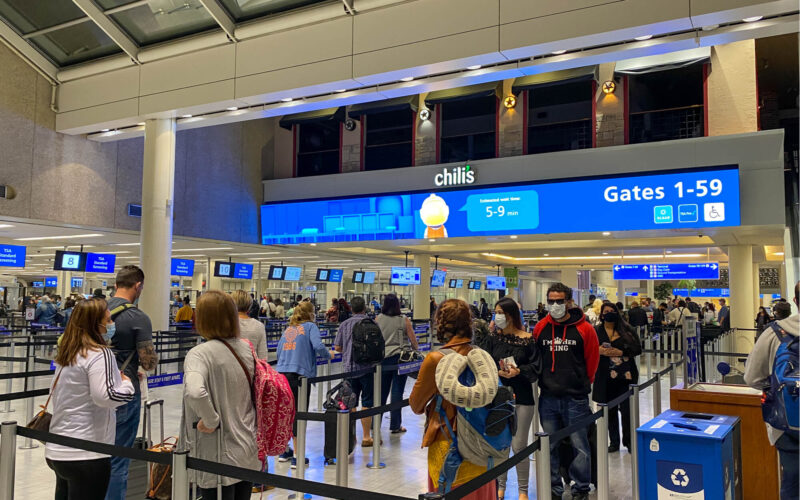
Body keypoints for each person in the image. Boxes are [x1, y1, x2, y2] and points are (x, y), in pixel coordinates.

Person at [46, 298, 135, 500]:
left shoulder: (69, 352)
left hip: (58, 448)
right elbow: (106, 396)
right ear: (96, 324)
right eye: (108, 319)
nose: (112, 324)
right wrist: (127, 385)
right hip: (87, 451)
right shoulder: (100, 353)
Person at [410, 299, 498, 499]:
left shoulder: (435, 359)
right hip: (482, 443)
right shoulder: (481, 356)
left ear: (440, 324)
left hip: (448, 443)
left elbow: (416, 405)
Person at [182, 290, 261, 499]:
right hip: (247, 445)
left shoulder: (200, 354)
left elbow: (195, 391)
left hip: (218, 452)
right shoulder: (246, 349)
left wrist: (211, 420)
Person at [533, 282, 599, 500]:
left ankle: (581, 488)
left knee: (581, 446)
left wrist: (580, 382)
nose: (555, 305)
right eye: (551, 301)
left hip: (576, 398)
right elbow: (537, 358)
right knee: (550, 446)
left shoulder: (585, 329)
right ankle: (554, 489)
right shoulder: (541, 328)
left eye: (559, 301)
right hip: (548, 397)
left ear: (569, 302)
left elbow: (592, 361)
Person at [475, 297, 540, 500]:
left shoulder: (527, 340)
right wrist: (496, 372)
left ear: (510, 315)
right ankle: (500, 486)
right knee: (500, 444)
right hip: (497, 399)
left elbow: (536, 368)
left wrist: (518, 371)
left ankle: (523, 490)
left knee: (519, 445)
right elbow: (483, 363)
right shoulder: (492, 339)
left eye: (500, 313)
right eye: (495, 313)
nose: (497, 317)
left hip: (523, 397)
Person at [105, 265, 158, 500]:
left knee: (92, 454)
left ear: (116, 284)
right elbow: (148, 362)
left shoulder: (93, 311)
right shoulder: (138, 317)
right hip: (124, 392)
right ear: (138, 286)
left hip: (92, 389)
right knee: (118, 458)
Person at [744, 282, 799, 500]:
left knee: (792, 482)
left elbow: (751, 378)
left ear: (795, 301)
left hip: (786, 424)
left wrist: (776, 388)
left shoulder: (774, 333)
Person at [276, 301, 331, 467]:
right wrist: (328, 355)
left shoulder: (289, 329)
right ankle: (297, 456)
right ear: (311, 314)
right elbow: (318, 345)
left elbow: (279, 350)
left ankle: (284, 450)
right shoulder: (310, 327)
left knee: (285, 413)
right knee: (299, 415)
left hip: (282, 374)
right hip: (299, 376)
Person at [592, 302, 642, 452]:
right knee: (609, 411)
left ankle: (629, 441)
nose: (609, 313)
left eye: (612, 310)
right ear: (601, 315)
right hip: (604, 377)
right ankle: (614, 442)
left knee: (627, 410)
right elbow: (587, 349)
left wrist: (621, 352)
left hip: (625, 376)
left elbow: (637, 349)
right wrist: (598, 350)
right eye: (606, 311)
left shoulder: (627, 329)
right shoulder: (596, 331)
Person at [333, 296, 377, 450]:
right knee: (367, 403)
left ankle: (352, 437)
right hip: (368, 368)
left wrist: (348, 350)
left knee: (350, 402)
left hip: (349, 369)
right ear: (364, 308)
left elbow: (337, 347)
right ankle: (366, 436)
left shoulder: (344, 324)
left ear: (351, 309)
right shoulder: (372, 323)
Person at [376, 293, 419, 435]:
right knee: (397, 392)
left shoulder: (378, 319)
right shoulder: (403, 320)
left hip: (383, 358)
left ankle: (375, 424)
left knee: (381, 393)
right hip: (401, 359)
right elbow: (413, 341)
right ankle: (395, 425)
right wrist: (416, 351)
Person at [230, 290, 267, 360]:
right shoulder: (259, 326)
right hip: (251, 365)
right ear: (250, 305)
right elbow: (263, 356)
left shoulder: (226, 324)